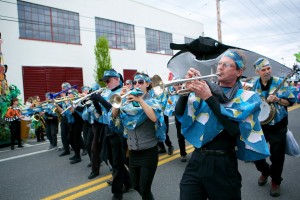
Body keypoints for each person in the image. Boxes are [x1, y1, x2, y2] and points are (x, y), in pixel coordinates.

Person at [176, 50, 270, 200]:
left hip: (223, 164)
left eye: (226, 65)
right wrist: (185, 91)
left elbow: (234, 130)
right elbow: (181, 114)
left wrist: (208, 97)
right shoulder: (205, 88)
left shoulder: (248, 97)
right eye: (219, 64)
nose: (220, 67)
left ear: (239, 71)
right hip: (197, 159)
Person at [111, 72, 166, 200]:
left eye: (140, 82)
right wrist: (119, 97)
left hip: (149, 152)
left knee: (145, 188)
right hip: (133, 153)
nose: (137, 85)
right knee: (136, 186)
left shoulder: (153, 101)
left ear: (148, 84)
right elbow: (114, 115)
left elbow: (154, 117)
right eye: (135, 82)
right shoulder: (127, 100)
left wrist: (140, 100)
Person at [251, 58, 296, 197]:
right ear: (257, 71)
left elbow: (291, 102)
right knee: (256, 153)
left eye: (268, 68)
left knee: (277, 157)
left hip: (278, 126)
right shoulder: (254, 85)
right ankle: (265, 171)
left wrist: (277, 100)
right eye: (263, 70)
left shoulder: (279, 82)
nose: (267, 71)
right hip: (261, 125)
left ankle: (276, 181)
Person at [90, 69, 132, 200]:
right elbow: (101, 112)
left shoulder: (123, 92)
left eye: (108, 81)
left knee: (118, 162)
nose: (106, 83)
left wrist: (100, 99)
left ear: (116, 79)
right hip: (107, 128)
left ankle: (117, 193)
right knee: (110, 158)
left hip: (119, 131)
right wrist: (96, 101)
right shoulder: (107, 92)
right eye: (105, 81)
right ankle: (129, 181)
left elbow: (114, 111)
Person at [164, 83, 187, 162]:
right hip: (179, 118)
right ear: (173, 86)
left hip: (190, 117)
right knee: (180, 137)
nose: (179, 86)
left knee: (194, 133)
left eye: (181, 84)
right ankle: (183, 154)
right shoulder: (172, 96)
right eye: (177, 84)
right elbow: (168, 111)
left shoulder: (188, 93)